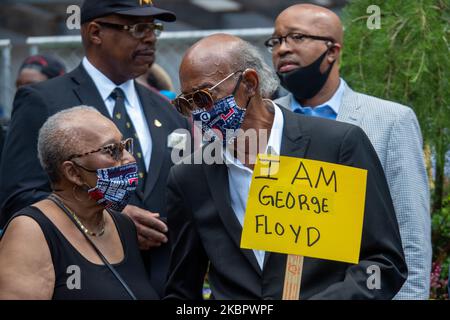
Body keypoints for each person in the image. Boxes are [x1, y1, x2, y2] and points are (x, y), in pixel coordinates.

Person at [164, 34, 407, 300]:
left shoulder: (337, 145)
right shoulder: (190, 176)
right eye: (187, 103)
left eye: (204, 97)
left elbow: (382, 263)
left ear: (249, 83)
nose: (198, 112)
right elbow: (181, 290)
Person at [0, 0, 189, 296]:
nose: (150, 37)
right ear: (95, 32)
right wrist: (115, 218)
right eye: (138, 28)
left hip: (165, 285)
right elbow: (18, 196)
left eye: (154, 28)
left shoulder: (167, 110)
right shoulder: (43, 100)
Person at [270, 4, 431, 299]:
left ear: (332, 50)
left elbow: (410, 232)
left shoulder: (389, 120)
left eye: (296, 37)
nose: (282, 49)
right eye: (277, 40)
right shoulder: (264, 120)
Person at [0, 106, 158, 299]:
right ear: (73, 173)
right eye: (112, 151)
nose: (129, 159)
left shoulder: (122, 224)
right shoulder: (31, 231)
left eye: (125, 146)